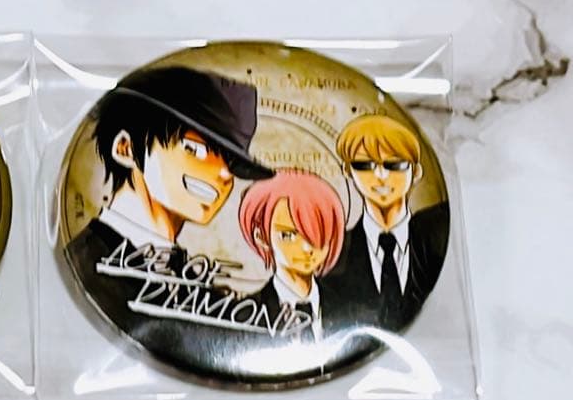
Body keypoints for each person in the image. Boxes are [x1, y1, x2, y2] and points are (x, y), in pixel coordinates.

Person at [64, 66, 274, 376]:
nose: (223, 174)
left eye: (230, 161)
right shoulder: (89, 262)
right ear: (125, 149)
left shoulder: (195, 283)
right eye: (196, 149)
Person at [323, 114, 449, 331]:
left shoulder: (436, 237)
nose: (380, 175)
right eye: (364, 165)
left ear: (416, 171)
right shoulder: (335, 257)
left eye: (394, 164)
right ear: (347, 171)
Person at [238, 170, 345, 341]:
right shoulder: (245, 315)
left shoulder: (348, 305)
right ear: (261, 237)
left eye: (317, 234)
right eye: (288, 235)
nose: (306, 248)